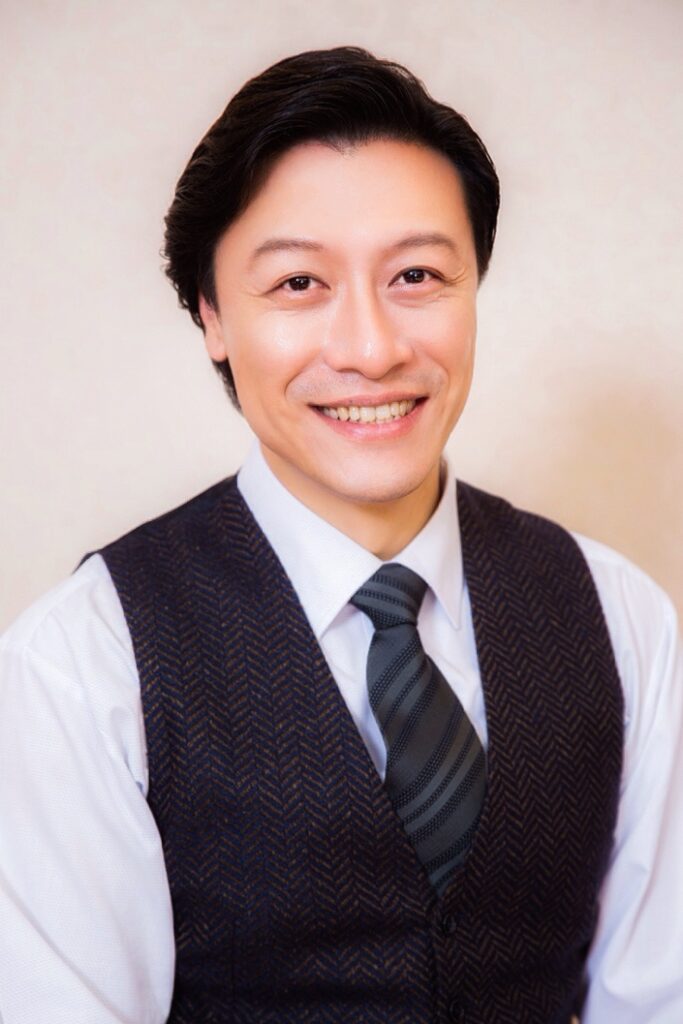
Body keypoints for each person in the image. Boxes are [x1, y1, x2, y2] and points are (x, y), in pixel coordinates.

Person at [0, 46, 681, 1024]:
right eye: (297, 284)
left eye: (416, 274)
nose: (370, 348)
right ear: (211, 317)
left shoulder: (619, 619)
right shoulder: (82, 662)